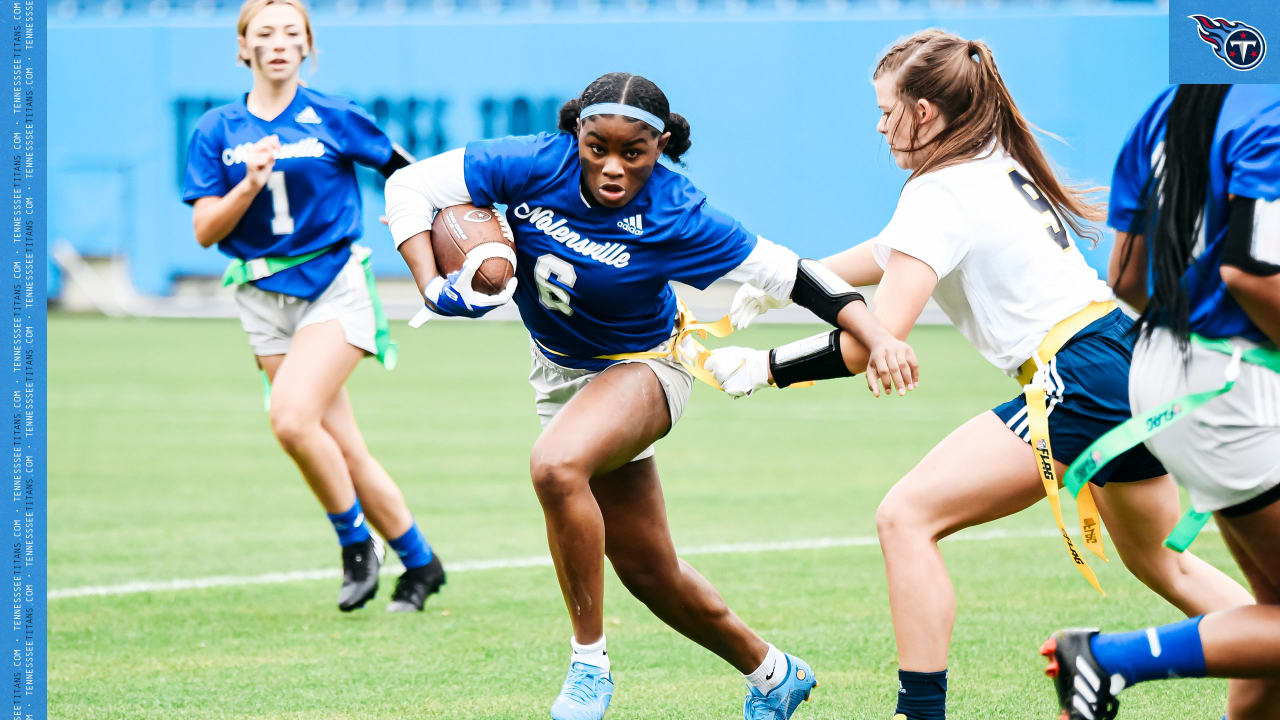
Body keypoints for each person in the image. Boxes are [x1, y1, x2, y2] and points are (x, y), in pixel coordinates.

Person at [703, 30, 1253, 720]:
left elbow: (872, 340)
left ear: (924, 113)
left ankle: (919, 713)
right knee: (1163, 564)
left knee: (906, 518)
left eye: (885, 111)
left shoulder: (936, 191)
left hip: (1076, 374)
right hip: (1128, 355)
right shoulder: (992, 161)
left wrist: (762, 367)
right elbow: (890, 251)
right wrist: (790, 280)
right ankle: (1269, 643)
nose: (879, 126)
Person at [384, 71, 917, 720]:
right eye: (596, 147)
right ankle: (774, 674)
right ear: (575, 132)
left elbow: (795, 275)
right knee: (650, 571)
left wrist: (876, 333)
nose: (612, 166)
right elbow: (408, 186)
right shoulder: (530, 163)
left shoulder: (674, 211)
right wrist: (431, 284)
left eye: (632, 152)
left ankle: (588, 665)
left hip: (647, 365)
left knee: (555, 467)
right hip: (559, 373)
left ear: (660, 146)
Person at [181, 0, 445, 613]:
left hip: (334, 283)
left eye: (291, 33)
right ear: (243, 47)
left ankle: (358, 547)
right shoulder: (216, 130)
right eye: (263, 33)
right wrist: (247, 184)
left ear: (308, 48)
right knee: (341, 446)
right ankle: (422, 562)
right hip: (260, 297)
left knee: (292, 420)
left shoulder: (333, 115)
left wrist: (417, 215)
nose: (278, 42)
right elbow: (204, 232)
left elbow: (406, 174)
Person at [1041, 84, 1280, 720]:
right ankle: (1111, 659)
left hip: (1170, 370)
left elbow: (1126, 277)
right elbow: (1253, 273)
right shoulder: (1271, 115)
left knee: (1271, 617)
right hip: (1235, 387)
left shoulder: (1168, 107)